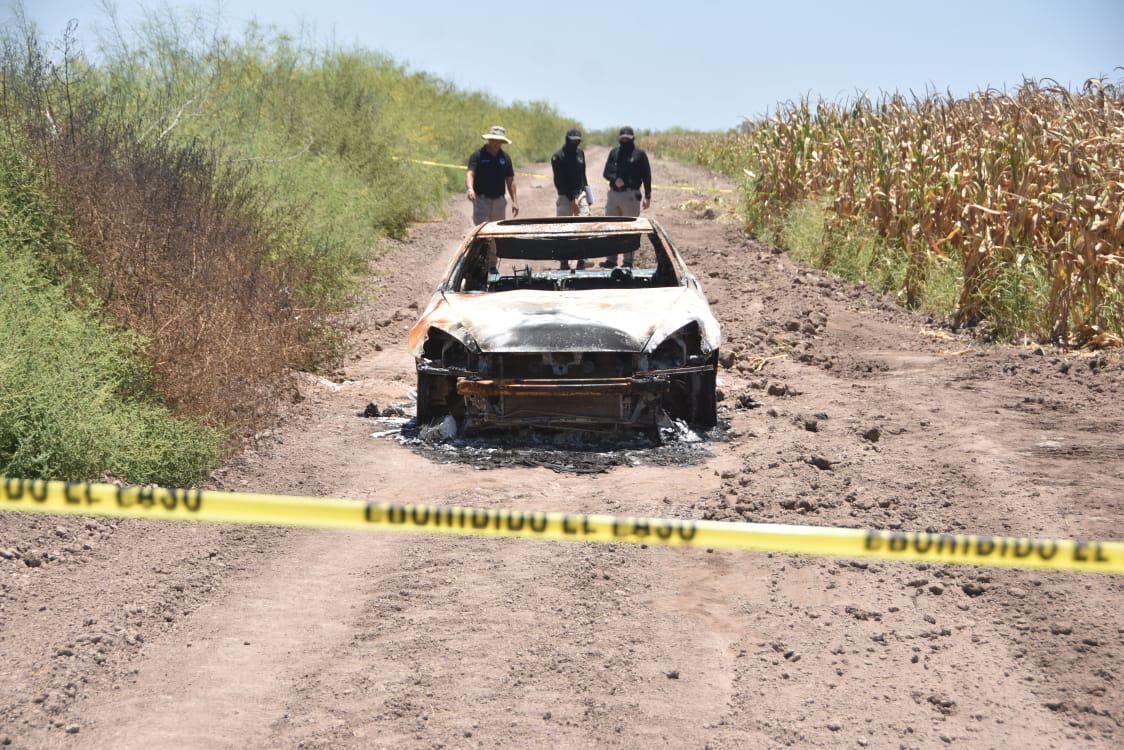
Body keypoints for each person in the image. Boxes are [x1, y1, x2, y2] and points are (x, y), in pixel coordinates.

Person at [601, 126, 652, 267]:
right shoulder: (614, 153)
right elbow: (606, 172)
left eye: (627, 139)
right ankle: (611, 260)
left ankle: (627, 262)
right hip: (613, 196)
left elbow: (647, 176)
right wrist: (614, 179)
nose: (625, 141)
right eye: (622, 138)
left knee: (630, 230)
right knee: (611, 228)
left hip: (631, 196)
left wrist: (648, 195)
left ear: (632, 139)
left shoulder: (639, 154)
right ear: (619, 139)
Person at [551, 127, 589, 269]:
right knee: (564, 230)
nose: (576, 143)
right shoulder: (558, 156)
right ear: (567, 140)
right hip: (565, 197)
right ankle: (564, 262)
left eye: (578, 141)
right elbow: (559, 181)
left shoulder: (580, 153)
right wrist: (572, 200)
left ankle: (582, 259)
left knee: (584, 227)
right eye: (573, 141)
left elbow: (583, 176)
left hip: (581, 194)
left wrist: (587, 194)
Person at [467, 125, 519, 225]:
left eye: (499, 141)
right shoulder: (477, 155)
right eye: (494, 140)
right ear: (489, 139)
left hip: (499, 201)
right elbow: (470, 174)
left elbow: (510, 180)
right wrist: (470, 189)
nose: (496, 143)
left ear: (503, 142)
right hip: (481, 200)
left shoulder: (505, 158)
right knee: (481, 230)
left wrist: (514, 201)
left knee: (498, 230)